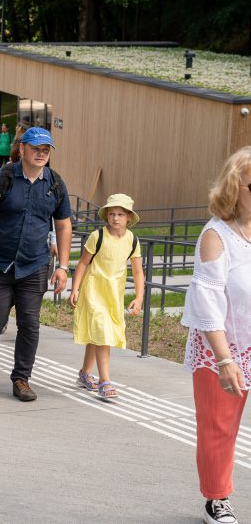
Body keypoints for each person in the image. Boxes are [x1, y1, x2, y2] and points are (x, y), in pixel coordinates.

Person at [0, 127, 73, 402]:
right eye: (36, 148)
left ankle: (21, 378)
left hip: (34, 264)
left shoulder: (55, 184)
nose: (41, 153)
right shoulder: (1, 180)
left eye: (46, 149)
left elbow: (63, 226)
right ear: (22, 149)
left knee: (30, 322)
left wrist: (63, 266)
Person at [181, 147, 251, 524]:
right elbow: (207, 303)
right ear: (234, 187)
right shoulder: (217, 236)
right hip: (223, 346)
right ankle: (217, 499)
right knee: (219, 426)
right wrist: (225, 360)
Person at [68, 194, 145, 400]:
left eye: (120, 214)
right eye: (112, 214)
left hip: (113, 294)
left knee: (97, 334)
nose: (116, 218)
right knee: (103, 333)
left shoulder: (132, 240)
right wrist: (75, 288)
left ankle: (85, 373)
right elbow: (83, 263)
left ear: (129, 217)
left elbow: (138, 272)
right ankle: (105, 381)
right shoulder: (97, 236)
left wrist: (139, 297)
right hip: (93, 290)